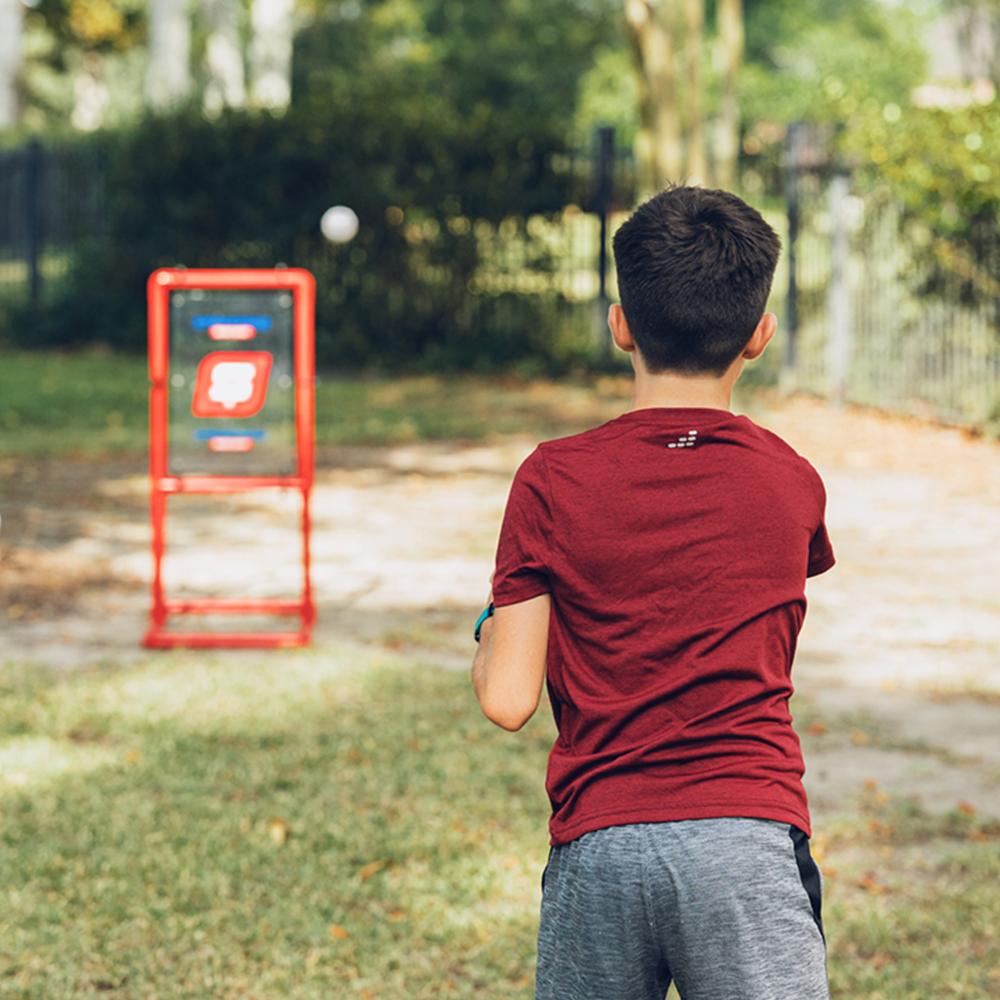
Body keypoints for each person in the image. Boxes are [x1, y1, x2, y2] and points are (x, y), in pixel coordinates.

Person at [470, 185, 835, 1000]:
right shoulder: (791, 481)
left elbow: (506, 698)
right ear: (760, 337)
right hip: (748, 840)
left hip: (601, 845)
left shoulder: (551, 480)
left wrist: (493, 627)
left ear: (620, 324)